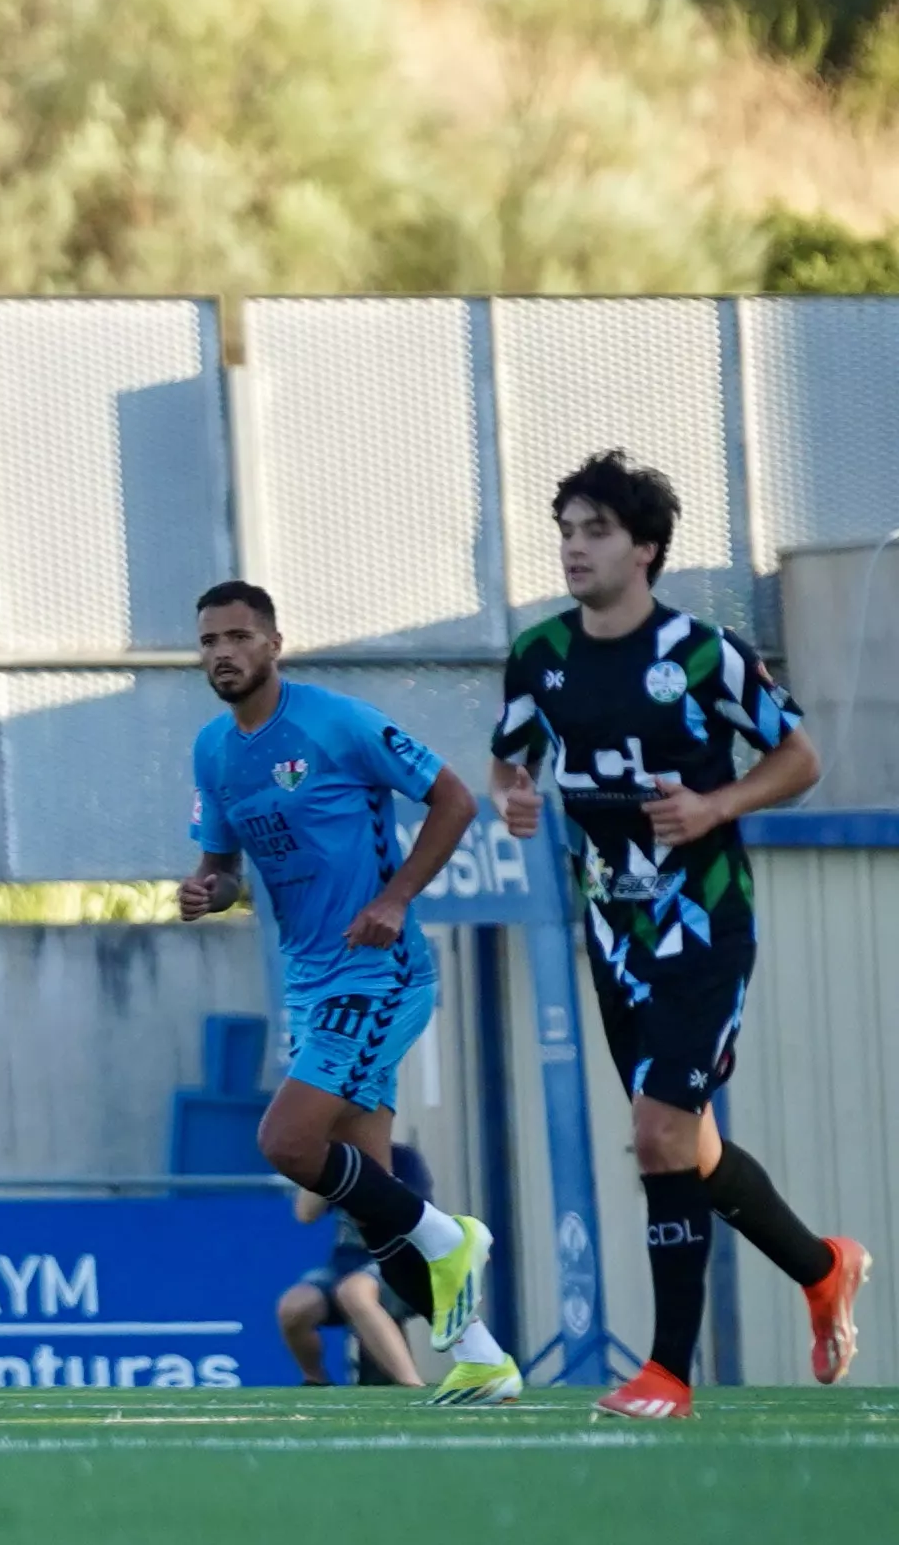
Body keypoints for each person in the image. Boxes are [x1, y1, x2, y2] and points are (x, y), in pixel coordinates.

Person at [489, 450, 868, 1417]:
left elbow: (803, 756)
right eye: (567, 531)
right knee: (683, 1145)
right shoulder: (539, 655)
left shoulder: (704, 652)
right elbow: (510, 756)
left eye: (597, 531)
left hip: (703, 925)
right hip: (611, 935)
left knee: (656, 1134)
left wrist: (715, 806)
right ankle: (823, 1267)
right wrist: (515, 797)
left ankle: (666, 1372)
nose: (575, 548)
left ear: (647, 548)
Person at [178, 579, 525, 1405]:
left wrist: (396, 897)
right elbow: (223, 869)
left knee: (287, 1143)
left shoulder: (336, 722)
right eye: (207, 642)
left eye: (237, 636)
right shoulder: (214, 752)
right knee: (373, 1203)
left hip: (381, 973)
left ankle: (450, 1236)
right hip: (312, 982)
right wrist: (207, 891)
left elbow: (453, 798)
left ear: (273, 644)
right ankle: (482, 1356)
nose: (222, 653)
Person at [278, 1139, 439, 1389]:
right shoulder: (336, 1162)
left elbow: (411, 1214)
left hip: (399, 1259)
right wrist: (321, 1165)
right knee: (294, 1307)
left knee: (355, 1292)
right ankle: (316, 1381)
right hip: (345, 1262)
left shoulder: (402, 1158)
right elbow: (305, 1214)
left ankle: (412, 1384)